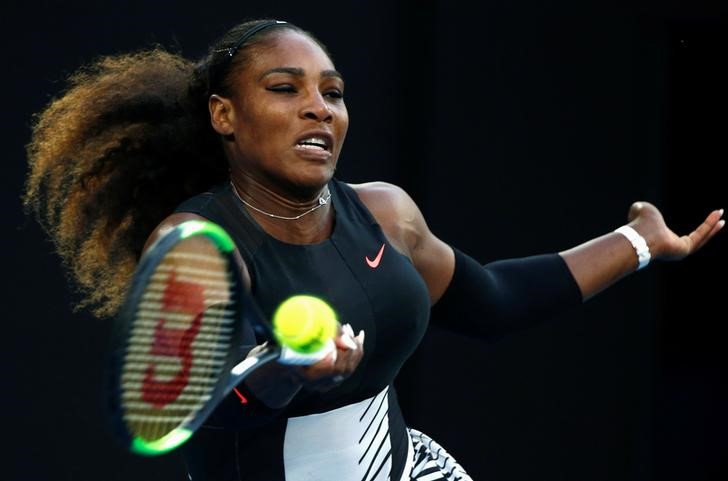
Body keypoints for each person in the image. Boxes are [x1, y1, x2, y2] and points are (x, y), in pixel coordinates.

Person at [22, 18, 723, 481]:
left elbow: (493, 302)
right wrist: (292, 370)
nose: (319, 107)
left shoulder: (385, 213)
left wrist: (639, 241)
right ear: (223, 116)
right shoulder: (196, 245)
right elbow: (210, 402)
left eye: (332, 92)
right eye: (284, 88)